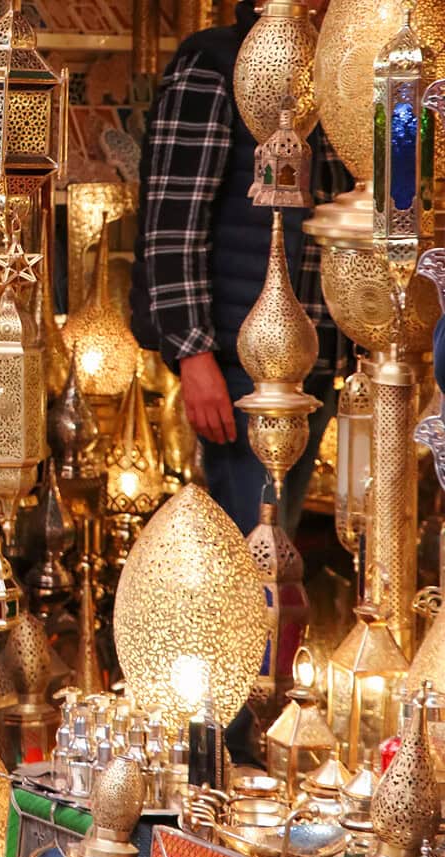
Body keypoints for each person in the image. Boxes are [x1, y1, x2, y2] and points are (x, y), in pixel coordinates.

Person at [130, 0, 351, 537]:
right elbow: (172, 217)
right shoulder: (214, 63)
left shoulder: (330, 70)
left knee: (280, 539)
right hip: (240, 356)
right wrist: (193, 354)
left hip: (315, 353)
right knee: (254, 538)